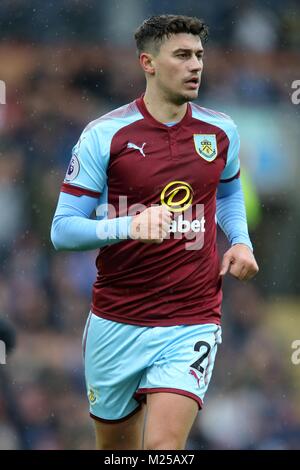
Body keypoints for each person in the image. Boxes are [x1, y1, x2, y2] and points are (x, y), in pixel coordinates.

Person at [50, 14, 259, 450]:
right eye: (182, 56)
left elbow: (228, 194)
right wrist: (130, 226)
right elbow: (63, 231)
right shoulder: (104, 135)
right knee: (117, 452)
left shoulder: (220, 131)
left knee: (164, 449)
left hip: (192, 316)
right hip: (117, 318)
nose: (196, 65)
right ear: (147, 62)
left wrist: (240, 239)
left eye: (199, 55)